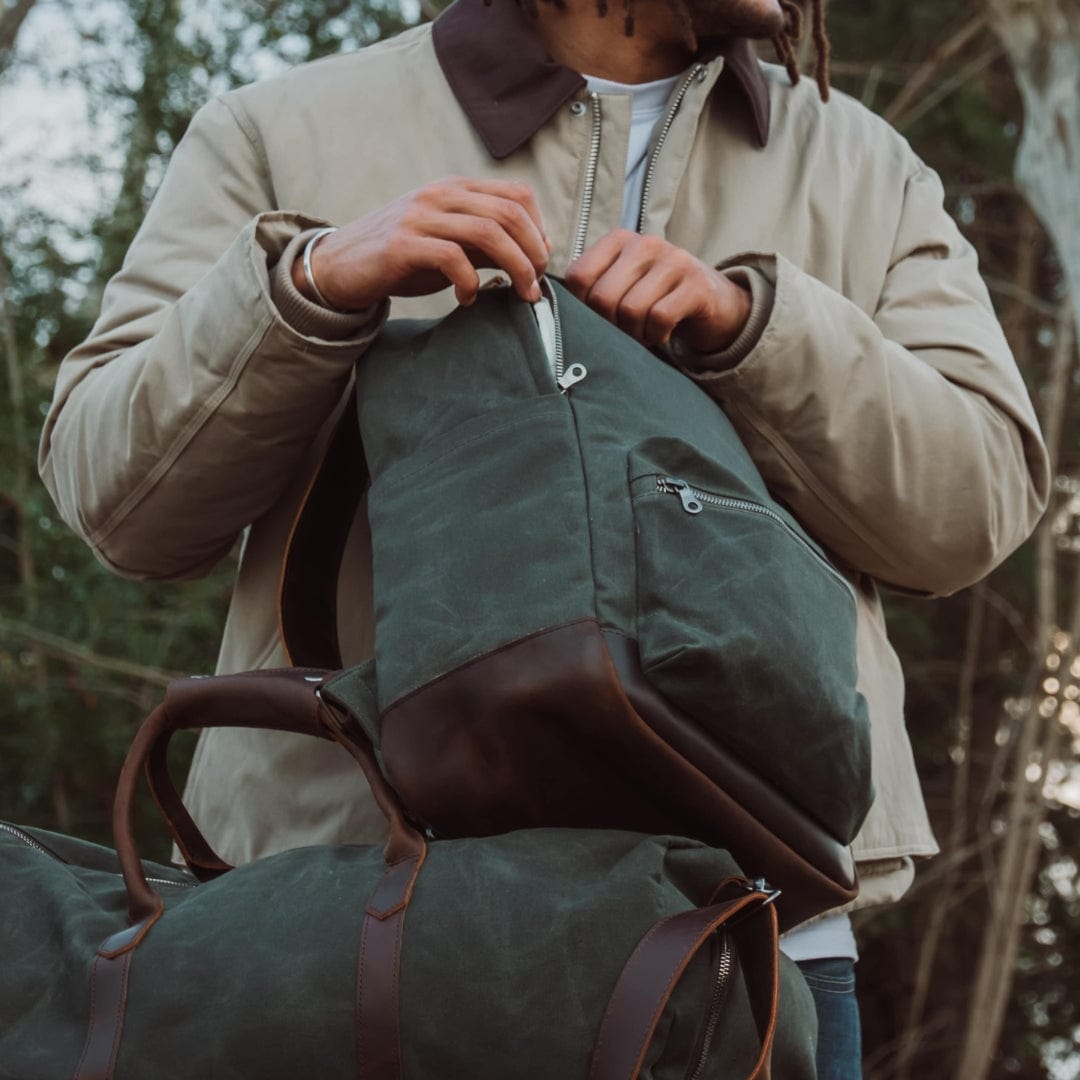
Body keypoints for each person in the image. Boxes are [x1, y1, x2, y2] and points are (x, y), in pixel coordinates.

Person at [38, 0, 1049, 1075]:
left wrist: (761, 328)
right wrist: (306, 288)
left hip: (748, 950)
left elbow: (976, 507)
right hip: (343, 925)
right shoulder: (283, 129)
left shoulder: (864, 167)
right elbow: (119, 502)